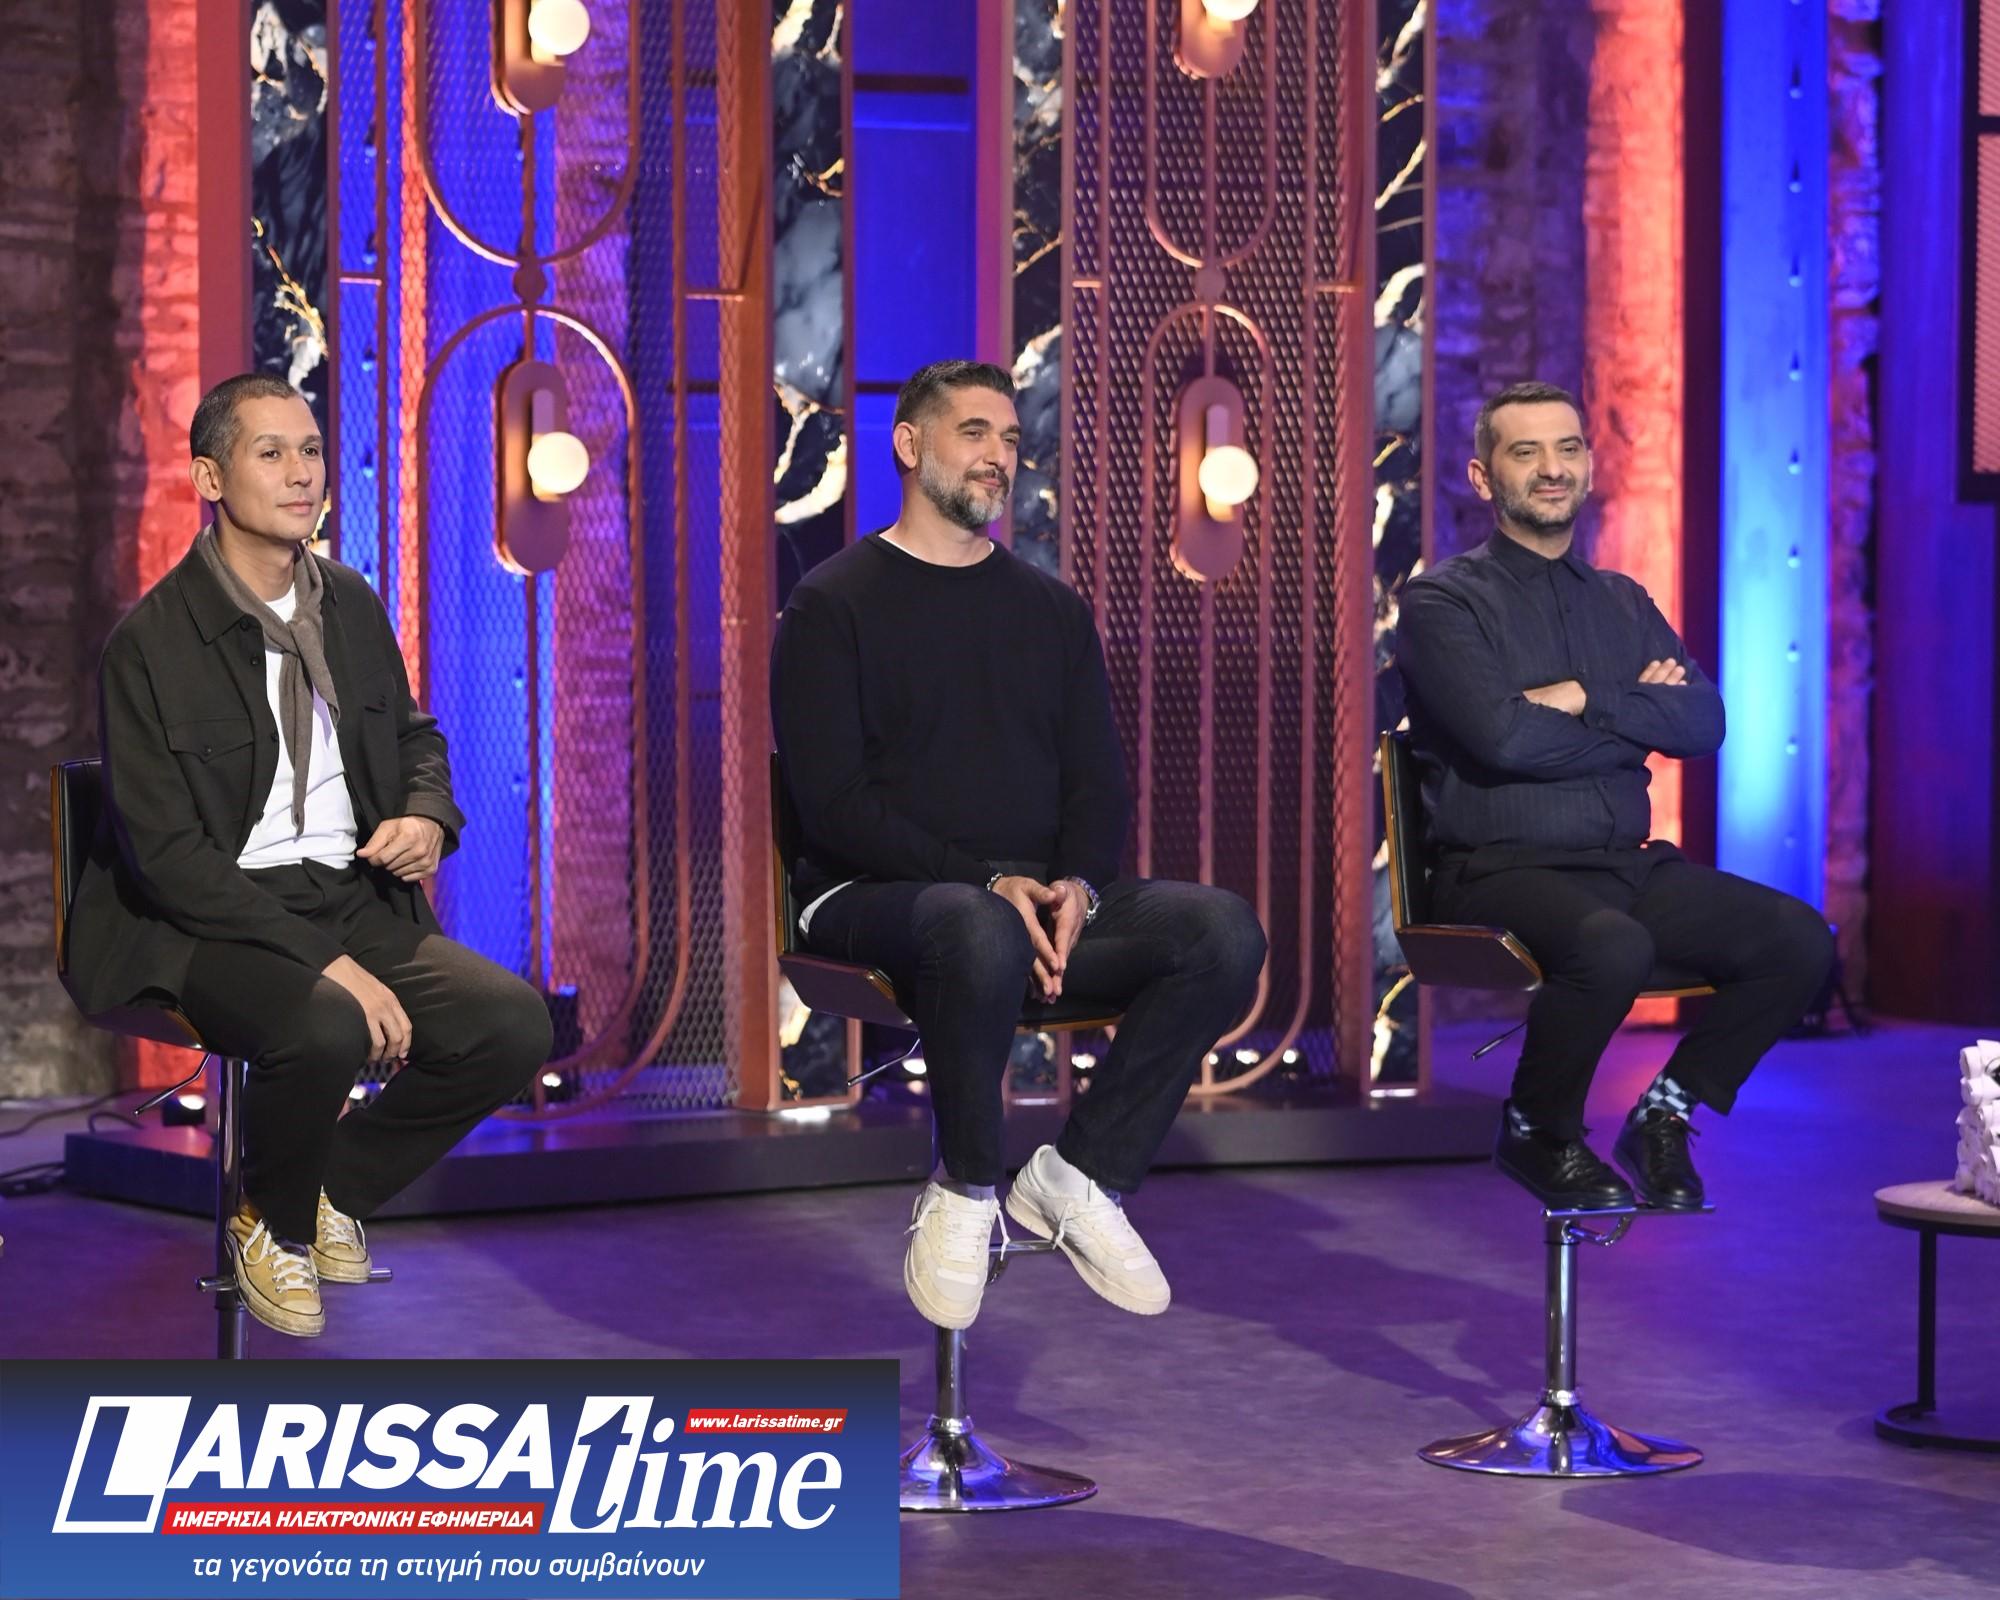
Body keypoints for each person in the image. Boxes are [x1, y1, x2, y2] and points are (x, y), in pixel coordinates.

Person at [772, 359, 1267, 1329]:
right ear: (908, 444)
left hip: (1028, 908)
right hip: (872, 899)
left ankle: (1079, 1173)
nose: (998, 456)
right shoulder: (831, 604)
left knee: (1219, 930)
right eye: (973, 434)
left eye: (1008, 438)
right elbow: (834, 807)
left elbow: (1096, 782)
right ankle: (966, 1188)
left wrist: (1077, 884)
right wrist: (987, 881)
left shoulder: (1051, 610)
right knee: (977, 925)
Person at [63, 374, 552, 1337]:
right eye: (272, 453)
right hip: (208, 917)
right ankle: (274, 1226)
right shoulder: (149, 644)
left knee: (511, 1025)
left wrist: (426, 815)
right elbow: (169, 860)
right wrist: (332, 967)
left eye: (313, 450)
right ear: (210, 477)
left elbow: (413, 736)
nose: (303, 474)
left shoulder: (350, 603)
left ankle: (323, 1189)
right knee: (329, 1023)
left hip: (347, 891)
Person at [1396, 380, 1834, 1211]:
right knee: (1612, 946)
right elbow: (1503, 739)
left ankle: (1665, 1112)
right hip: (1498, 868)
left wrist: (1579, 696)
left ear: (1589, 467)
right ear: (1484, 477)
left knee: (1799, 939)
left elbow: (1702, 722)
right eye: (1526, 452)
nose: (1551, 468)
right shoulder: (1443, 601)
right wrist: (1635, 715)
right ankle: (1537, 1128)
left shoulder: (1623, 601)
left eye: (1567, 449)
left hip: (1623, 867)